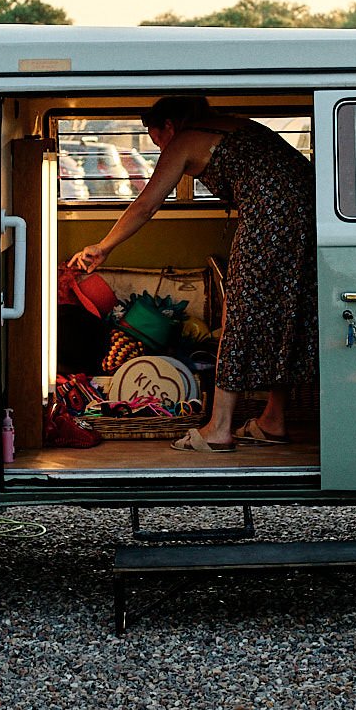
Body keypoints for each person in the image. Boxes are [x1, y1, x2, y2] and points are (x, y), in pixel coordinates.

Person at [69, 97, 318, 451]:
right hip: (312, 223)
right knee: (287, 318)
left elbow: (146, 204)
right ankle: (273, 420)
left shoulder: (187, 139)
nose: (160, 148)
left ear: (170, 126)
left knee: (238, 319)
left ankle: (218, 429)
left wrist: (104, 246)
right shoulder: (237, 124)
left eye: (157, 140)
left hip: (270, 226)